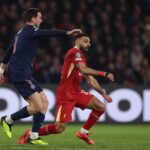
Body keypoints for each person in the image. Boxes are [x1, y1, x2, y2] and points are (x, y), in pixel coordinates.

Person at [0, 8, 82, 145]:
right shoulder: (30, 30)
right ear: (33, 19)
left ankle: (33, 135)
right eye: (39, 17)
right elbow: (47, 33)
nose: (41, 20)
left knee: (45, 103)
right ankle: (7, 119)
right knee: (37, 107)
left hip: (23, 72)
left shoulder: (20, 33)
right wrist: (67, 32)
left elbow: (8, 52)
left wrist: (1, 71)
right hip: (20, 73)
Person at [19, 33, 114, 145]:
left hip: (76, 92)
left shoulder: (82, 57)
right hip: (66, 95)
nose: (88, 44)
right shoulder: (74, 52)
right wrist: (104, 73)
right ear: (77, 41)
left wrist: (103, 94)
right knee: (59, 128)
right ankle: (30, 133)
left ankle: (83, 132)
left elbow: (90, 79)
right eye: (85, 41)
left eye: (89, 42)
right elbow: (84, 70)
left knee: (100, 107)